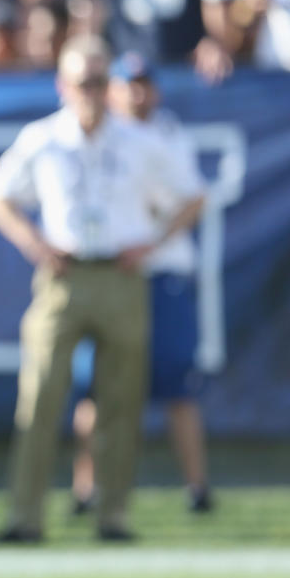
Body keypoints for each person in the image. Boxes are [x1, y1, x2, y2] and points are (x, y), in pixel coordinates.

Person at [0, 35, 205, 543]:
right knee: (39, 397)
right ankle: (25, 516)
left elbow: (193, 196)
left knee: (121, 402)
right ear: (63, 85)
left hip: (122, 276)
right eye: (84, 81)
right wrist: (33, 243)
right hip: (63, 275)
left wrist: (154, 243)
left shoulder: (139, 140)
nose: (93, 91)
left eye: (102, 82)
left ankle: (113, 515)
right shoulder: (42, 138)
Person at [69, 53, 214, 515]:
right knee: (95, 388)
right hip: (110, 275)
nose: (135, 92)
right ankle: (85, 490)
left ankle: (197, 488)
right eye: (126, 83)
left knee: (177, 388)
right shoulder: (91, 135)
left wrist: (149, 242)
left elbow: (189, 199)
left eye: (143, 83)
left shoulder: (165, 138)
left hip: (160, 273)